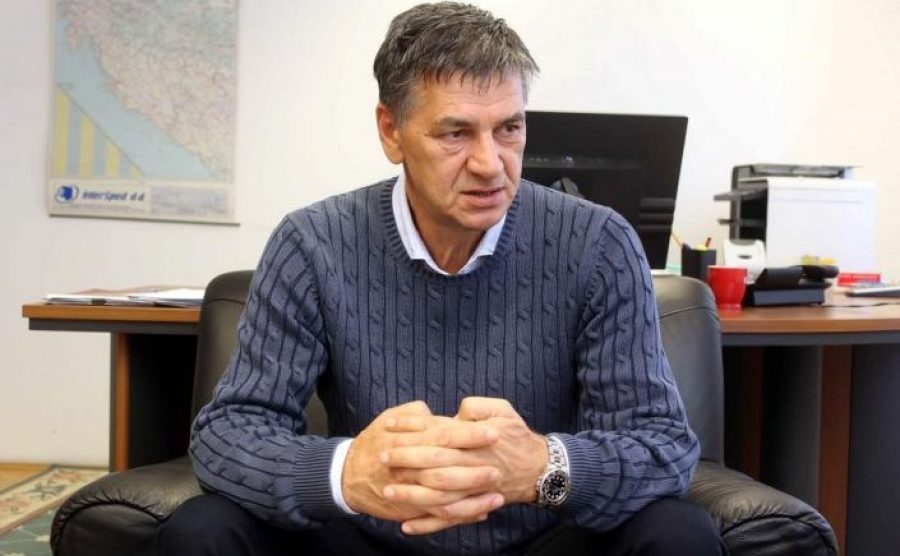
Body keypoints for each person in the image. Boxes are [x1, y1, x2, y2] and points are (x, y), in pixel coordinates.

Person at [158, 3, 727, 555]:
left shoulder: (600, 243)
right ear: (391, 131)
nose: (490, 163)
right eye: (455, 133)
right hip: (368, 535)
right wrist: (347, 472)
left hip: (543, 535)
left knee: (676, 532)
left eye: (509, 129)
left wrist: (542, 466)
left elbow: (661, 445)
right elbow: (228, 433)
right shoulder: (312, 243)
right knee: (204, 529)